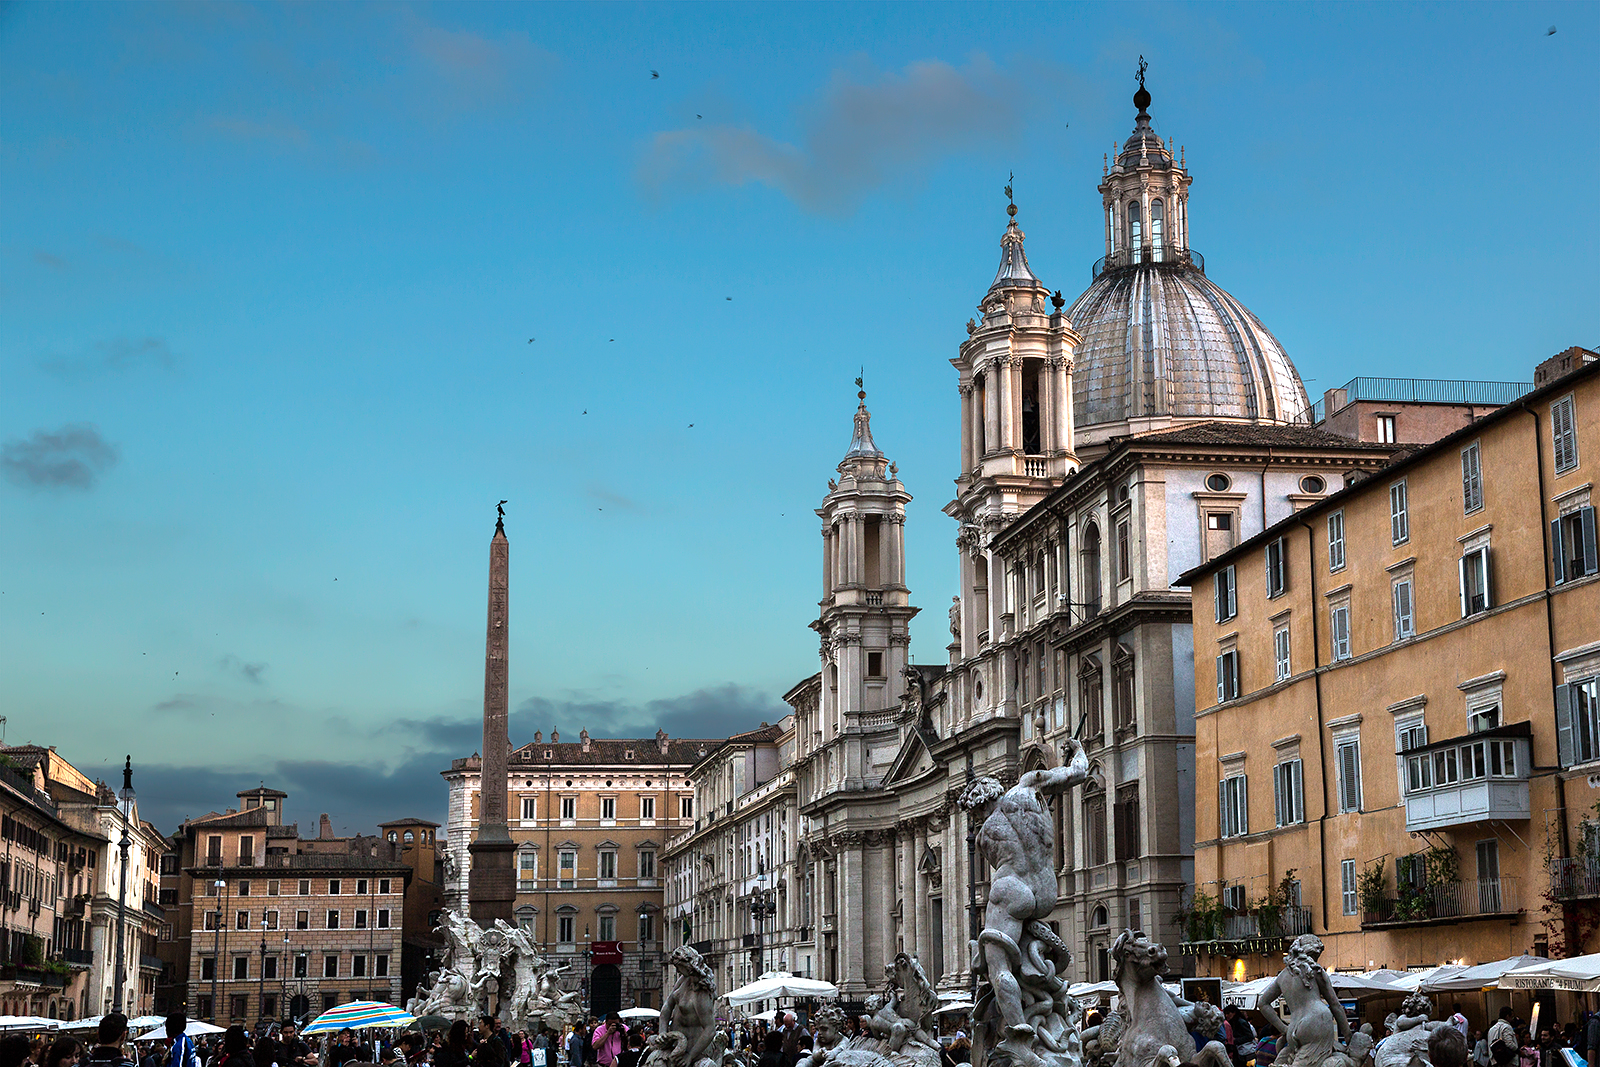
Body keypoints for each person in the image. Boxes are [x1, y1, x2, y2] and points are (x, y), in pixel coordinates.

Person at [958, 739, 1090, 1053]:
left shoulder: (985, 834)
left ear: (978, 806)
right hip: (1046, 890)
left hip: (1012, 889)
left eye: (974, 813)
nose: (975, 819)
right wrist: (1078, 750)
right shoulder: (1028, 786)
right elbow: (1079, 773)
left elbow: (1007, 860)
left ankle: (1019, 1036)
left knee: (998, 966)